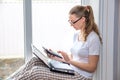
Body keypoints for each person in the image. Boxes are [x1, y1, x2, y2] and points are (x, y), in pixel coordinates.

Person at [7, 5, 102, 80]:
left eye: (73, 22)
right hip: (71, 68)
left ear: (83, 19)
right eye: (69, 21)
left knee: (36, 71)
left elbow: (92, 67)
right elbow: (74, 58)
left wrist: (69, 61)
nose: (71, 25)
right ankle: (10, 78)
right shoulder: (76, 34)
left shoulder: (93, 38)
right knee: (34, 61)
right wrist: (57, 57)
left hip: (81, 76)